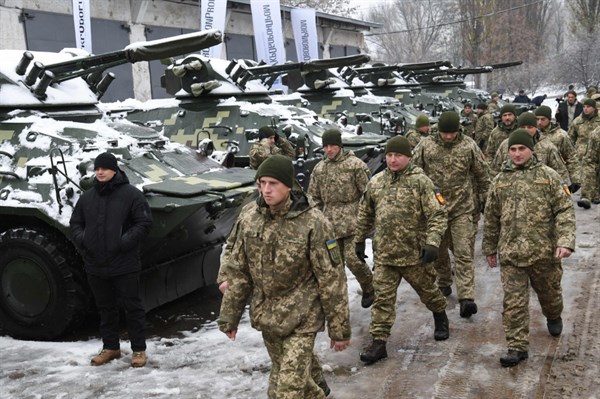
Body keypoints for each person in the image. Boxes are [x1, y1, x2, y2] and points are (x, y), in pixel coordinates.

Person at [218, 155, 351, 398]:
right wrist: (230, 316)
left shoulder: (314, 222)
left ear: (288, 185)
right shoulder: (250, 217)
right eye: (262, 183)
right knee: (288, 377)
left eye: (273, 184)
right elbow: (238, 268)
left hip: (303, 316)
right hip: (268, 315)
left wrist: (339, 329)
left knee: (287, 391)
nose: (266, 190)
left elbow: (331, 278)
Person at [483, 129, 576, 367]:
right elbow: (492, 217)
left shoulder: (549, 176)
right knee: (513, 303)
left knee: (550, 294)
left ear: (531, 150)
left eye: (521, 149)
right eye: (512, 149)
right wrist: (490, 248)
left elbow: (564, 210)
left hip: (543, 253)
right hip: (512, 254)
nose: (516, 153)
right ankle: (517, 347)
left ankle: (553, 314)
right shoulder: (500, 181)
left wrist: (565, 241)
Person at [355, 136, 449, 365]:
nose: (392, 160)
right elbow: (365, 213)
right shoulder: (376, 182)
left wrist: (433, 243)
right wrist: (358, 240)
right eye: (389, 155)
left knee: (428, 291)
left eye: (398, 155)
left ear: (408, 157)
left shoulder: (421, 182)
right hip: (385, 255)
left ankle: (440, 315)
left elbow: (437, 214)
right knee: (382, 301)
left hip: (414, 255)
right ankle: (379, 342)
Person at [70, 152, 153, 368]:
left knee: (132, 307)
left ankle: (138, 350)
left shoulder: (131, 195)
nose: (99, 172)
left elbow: (143, 223)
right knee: (105, 308)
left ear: (114, 170)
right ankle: (111, 347)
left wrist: (123, 242)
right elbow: (76, 222)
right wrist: (84, 241)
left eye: (104, 168)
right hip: (96, 263)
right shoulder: (87, 197)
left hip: (124, 263)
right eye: (97, 169)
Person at [413, 111, 490, 317]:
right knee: (438, 251)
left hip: (462, 208)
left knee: (463, 252)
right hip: (434, 210)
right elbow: (413, 173)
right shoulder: (425, 146)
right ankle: (445, 281)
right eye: (445, 133)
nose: (448, 137)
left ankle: (467, 297)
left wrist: (485, 200)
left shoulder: (468, 146)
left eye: (452, 133)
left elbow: (482, 174)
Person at [308, 128, 375, 308]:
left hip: (354, 224)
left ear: (340, 145)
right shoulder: (319, 169)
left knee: (354, 261)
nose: (329, 149)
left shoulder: (355, 165)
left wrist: (369, 218)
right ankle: (339, 302)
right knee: (334, 266)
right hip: (330, 227)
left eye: (332, 145)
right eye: (326, 146)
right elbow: (313, 196)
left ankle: (369, 287)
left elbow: (369, 193)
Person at [489, 112, 569, 183]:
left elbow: (560, 172)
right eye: (523, 127)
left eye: (530, 127)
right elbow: (494, 170)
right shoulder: (506, 145)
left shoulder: (547, 146)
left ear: (536, 127)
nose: (526, 130)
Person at [535, 105, 581, 193]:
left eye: (543, 119)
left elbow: (571, 157)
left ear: (549, 119)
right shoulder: (532, 134)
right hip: (537, 180)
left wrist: (575, 179)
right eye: (537, 119)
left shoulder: (561, 135)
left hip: (558, 178)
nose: (539, 122)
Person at [579, 125, 600, 209]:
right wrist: (586, 195)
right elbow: (590, 162)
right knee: (589, 165)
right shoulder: (597, 134)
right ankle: (587, 196)